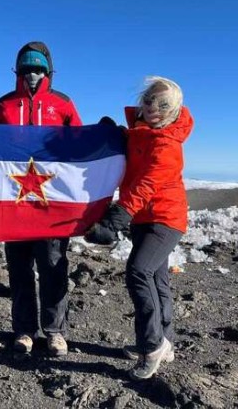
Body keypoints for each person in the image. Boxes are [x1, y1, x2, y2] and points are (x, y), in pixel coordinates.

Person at [85, 76, 194, 380]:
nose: (153, 107)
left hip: (165, 219)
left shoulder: (167, 144)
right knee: (157, 278)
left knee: (138, 271)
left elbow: (145, 186)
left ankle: (152, 345)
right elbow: (133, 145)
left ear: (174, 109)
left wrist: (115, 220)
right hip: (145, 218)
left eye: (163, 104)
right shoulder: (142, 131)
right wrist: (114, 133)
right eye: (149, 99)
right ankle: (164, 340)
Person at [0, 42, 82, 356]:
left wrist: (106, 139)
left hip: (51, 204)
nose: (32, 74)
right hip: (14, 201)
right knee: (19, 268)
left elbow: (79, 146)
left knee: (53, 266)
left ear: (48, 71)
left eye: (38, 68)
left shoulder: (62, 104)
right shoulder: (3, 106)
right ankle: (24, 330)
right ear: (17, 71)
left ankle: (55, 331)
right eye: (26, 68)